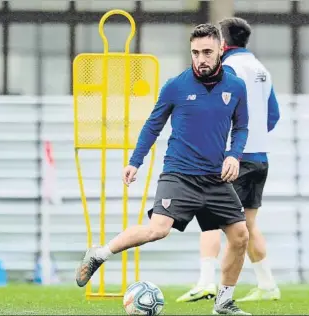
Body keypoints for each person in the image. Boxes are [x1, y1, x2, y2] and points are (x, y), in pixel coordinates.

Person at [75, 23, 252, 315]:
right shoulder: (176, 86)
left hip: (216, 178)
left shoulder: (235, 86)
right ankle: (99, 254)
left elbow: (242, 126)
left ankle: (224, 302)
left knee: (240, 236)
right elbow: (152, 125)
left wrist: (234, 155)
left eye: (207, 52)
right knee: (158, 230)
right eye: (195, 53)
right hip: (179, 174)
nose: (201, 59)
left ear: (221, 49)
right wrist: (135, 161)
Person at [176, 17, 281, 303]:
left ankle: (206, 282)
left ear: (223, 44)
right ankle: (267, 284)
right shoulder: (261, 69)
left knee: (209, 216)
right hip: (260, 157)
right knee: (247, 224)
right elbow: (273, 115)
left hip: (233, 158)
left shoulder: (229, 69)